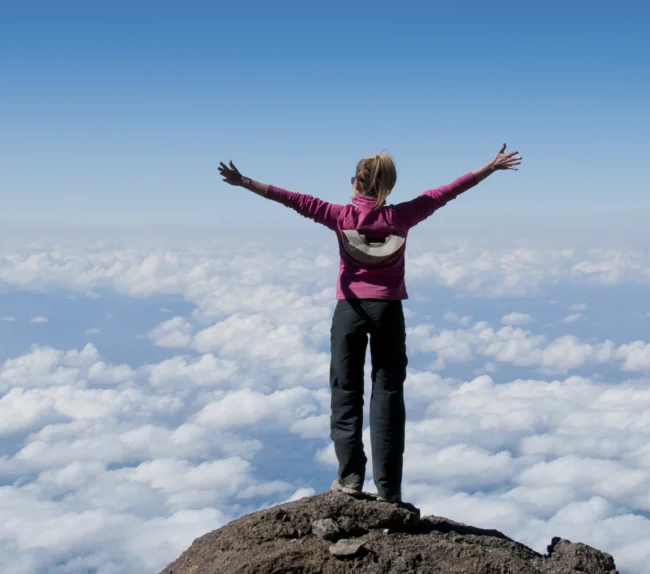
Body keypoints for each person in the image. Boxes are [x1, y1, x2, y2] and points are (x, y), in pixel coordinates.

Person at [216, 145, 523, 504]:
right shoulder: (403, 216)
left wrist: (244, 182)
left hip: (349, 310)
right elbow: (447, 192)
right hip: (388, 312)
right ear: (385, 187)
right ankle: (389, 490)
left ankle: (350, 479)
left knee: (345, 393)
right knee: (388, 395)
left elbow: (291, 199)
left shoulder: (338, 215)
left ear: (356, 184)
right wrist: (489, 167)